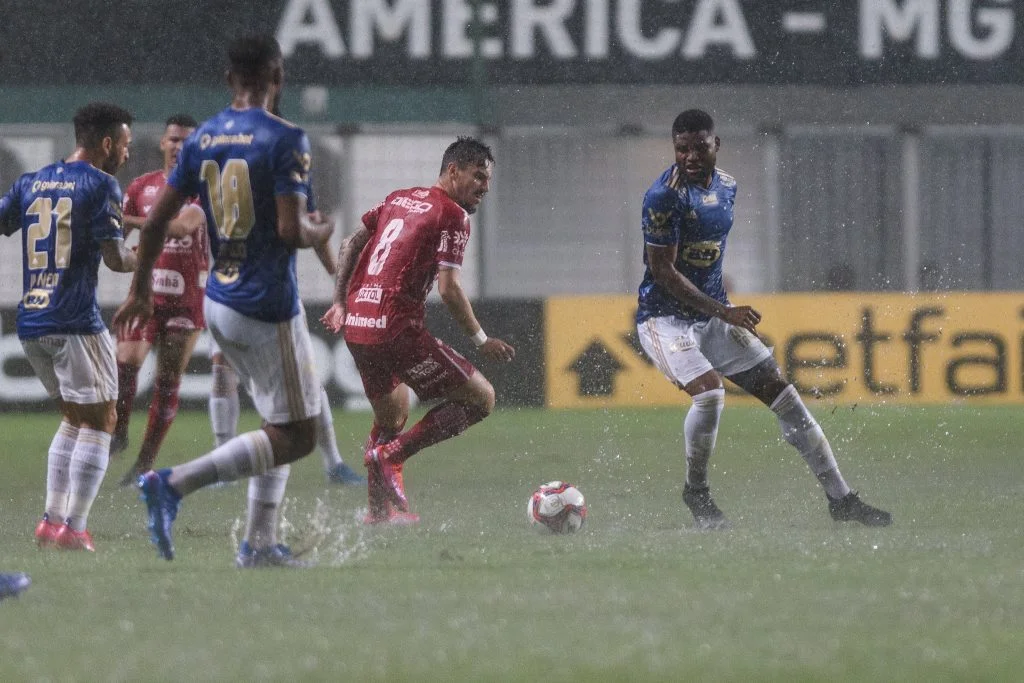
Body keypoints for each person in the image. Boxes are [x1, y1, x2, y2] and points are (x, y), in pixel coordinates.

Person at [114, 35, 334, 566]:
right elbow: (287, 229)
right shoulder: (286, 138)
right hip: (266, 303)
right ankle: (174, 482)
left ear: (230, 79)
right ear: (277, 78)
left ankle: (259, 544)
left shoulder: (205, 136)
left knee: (278, 420)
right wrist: (318, 233)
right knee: (298, 435)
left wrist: (140, 288)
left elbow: (159, 220)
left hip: (218, 300)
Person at [635, 109, 891, 530]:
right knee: (710, 394)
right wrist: (723, 310)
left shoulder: (729, 187)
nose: (690, 156)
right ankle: (696, 491)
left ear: (717, 144)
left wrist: (719, 308)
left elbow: (706, 255)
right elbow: (663, 271)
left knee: (786, 398)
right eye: (682, 149)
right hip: (665, 320)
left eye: (700, 146)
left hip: (713, 315)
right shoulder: (664, 197)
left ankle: (841, 499)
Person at [322, 137, 515, 525]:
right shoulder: (453, 215)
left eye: (488, 180)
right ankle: (394, 455)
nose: (485, 187)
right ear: (452, 171)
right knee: (481, 399)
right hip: (396, 328)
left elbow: (350, 243)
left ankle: (378, 513)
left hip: (358, 325)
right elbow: (449, 288)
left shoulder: (398, 198)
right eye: (478, 176)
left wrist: (340, 301)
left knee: (392, 416)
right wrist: (480, 339)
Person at [0, 102, 137, 551]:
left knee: (75, 419)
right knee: (102, 421)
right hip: (75, 320)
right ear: (105, 143)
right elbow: (117, 260)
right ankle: (74, 529)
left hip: (32, 319)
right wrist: (146, 255)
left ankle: (50, 521)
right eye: (124, 144)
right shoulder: (101, 184)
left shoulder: (32, 181)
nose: (126, 153)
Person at [208, 218, 365, 487]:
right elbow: (307, 230)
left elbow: (305, 227)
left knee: (304, 376)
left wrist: (337, 279)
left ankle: (333, 463)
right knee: (222, 368)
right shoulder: (221, 179)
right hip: (227, 292)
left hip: (273, 297)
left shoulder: (281, 181)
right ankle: (223, 464)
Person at [111, 114, 209, 486]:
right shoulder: (140, 187)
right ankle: (119, 431)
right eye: (174, 139)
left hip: (188, 299)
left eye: (187, 141)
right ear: (163, 144)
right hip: (145, 293)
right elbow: (116, 232)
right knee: (128, 360)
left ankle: (145, 463)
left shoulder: (204, 189)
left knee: (169, 380)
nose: (179, 146)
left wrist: (136, 222)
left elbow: (184, 227)